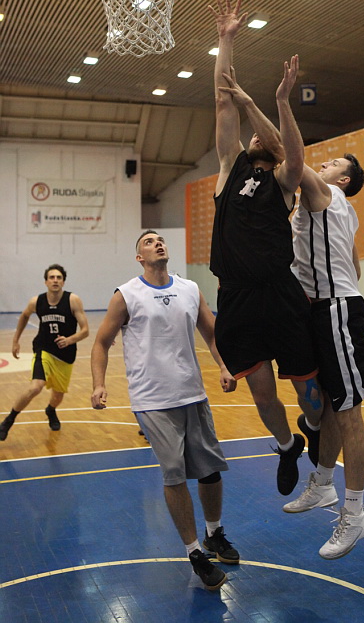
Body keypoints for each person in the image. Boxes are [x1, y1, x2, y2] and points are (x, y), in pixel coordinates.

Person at [208, 0, 322, 497]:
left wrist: (266, 102)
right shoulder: (229, 169)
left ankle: (313, 427)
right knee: (260, 393)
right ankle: (286, 445)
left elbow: (292, 153)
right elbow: (221, 100)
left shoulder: (282, 180)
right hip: (236, 296)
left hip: (279, 293)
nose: (253, 138)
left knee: (306, 388)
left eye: (261, 136)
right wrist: (226, 39)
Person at [91, 230, 238, 592]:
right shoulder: (126, 294)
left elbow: (212, 333)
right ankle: (194, 552)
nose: (157, 243)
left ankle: (214, 533)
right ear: (139, 257)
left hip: (193, 394)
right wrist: (99, 384)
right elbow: (101, 342)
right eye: (148, 241)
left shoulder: (189, 288)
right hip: (152, 400)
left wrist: (224, 365)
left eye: (159, 239)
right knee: (174, 472)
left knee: (209, 471)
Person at [283, 155, 364, 560]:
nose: (325, 162)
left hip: (336, 309)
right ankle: (323, 484)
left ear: (343, 180)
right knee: (329, 408)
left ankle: (356, 514)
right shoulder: (342, 212)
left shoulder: (327, 193)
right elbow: (354, 264)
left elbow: (290, 156)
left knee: (349, 414)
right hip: (323, 308)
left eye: (335, 162)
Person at [0, 264, 89, 441]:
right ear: (46, 282)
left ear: (63, 282)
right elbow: (24, 315)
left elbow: (85, 330)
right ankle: (8, 421)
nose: (55, 280)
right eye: (51, 277)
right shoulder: (37, 301)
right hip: (44, 349)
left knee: (58, 395)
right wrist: (16, 340)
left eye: (59, 277)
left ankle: (51, 410)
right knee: (36, 386)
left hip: (65, 354)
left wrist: (69, 340)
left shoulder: (73, 300)